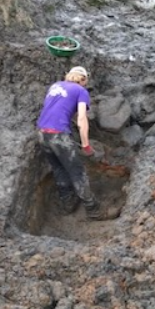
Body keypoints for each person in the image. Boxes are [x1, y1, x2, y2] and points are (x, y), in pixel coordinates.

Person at [36, 66, 103, 220]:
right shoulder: (81, 91)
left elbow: (58, 109)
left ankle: (67, 204)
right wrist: (86, 145)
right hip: (59, 135)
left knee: (59, 168)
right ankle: (94, 210)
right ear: (84, 80)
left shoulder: (55, 86)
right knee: (77, 172)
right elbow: (81, 118)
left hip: (41, 133)